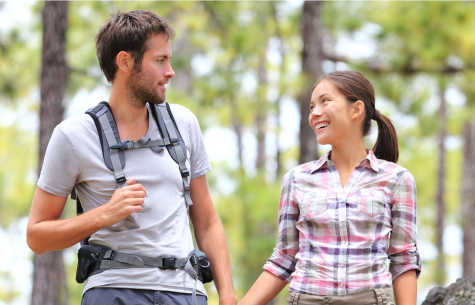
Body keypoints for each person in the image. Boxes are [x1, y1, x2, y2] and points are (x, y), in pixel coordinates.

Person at [26, 10, 237, 305]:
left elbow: (206, 222)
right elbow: (36, 236)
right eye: (160, 60)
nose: (170, 71)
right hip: (113, 290)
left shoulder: (184, 123)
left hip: (185, 293)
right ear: (125, 61)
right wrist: (104, 215)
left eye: (169, 60)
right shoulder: (72, 135)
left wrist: (227, 295)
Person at [240, 71, 421, 305]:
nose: (314, 113)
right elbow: (284, 259)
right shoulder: (296, 179)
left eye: (325, 101)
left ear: (356, 110)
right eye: (311, 106)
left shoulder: (397, 179)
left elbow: (403, 259)